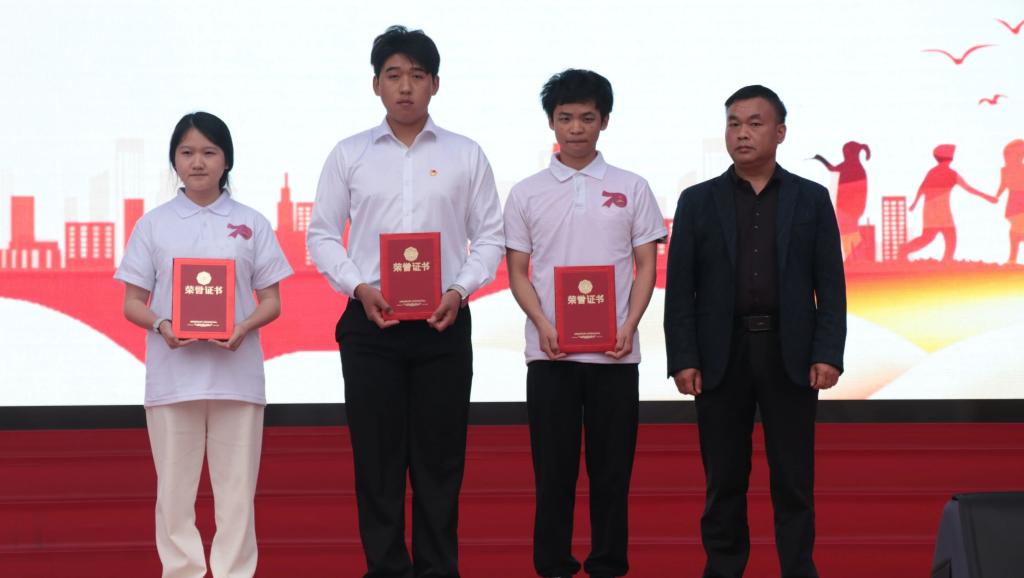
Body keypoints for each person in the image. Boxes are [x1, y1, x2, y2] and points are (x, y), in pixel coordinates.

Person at [306, 25, 504, 578]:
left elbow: (490, 236)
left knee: (440, 462)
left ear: (435, 83)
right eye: (393, 75)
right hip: (371, 325)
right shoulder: (349, 155)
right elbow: (322, 235)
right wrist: (358, 286)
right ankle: (386, 569)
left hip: (444, 324)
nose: (406, 87)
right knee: (378, 461)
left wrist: (459, 290)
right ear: (376, 84)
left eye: (417, 75)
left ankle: (439, 569)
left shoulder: (466, 154)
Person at [663, 85, 847, 578]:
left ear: (780, 132)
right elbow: (680, 289)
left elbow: (831, 285)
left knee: (793, 479)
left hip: (791, 353)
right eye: (734, 124)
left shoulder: (811, 199)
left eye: (754, 123)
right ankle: (724, 569)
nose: (742, 133)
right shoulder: (698, 201)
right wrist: (684, 358)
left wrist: (828, 352)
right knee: (724, 478)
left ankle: (798, 569)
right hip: (721, 354)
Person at [115, 111, 293, 578]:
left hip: (237, 378)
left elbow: (272, 301)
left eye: (209, 152)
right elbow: (132, 303)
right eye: (187, 152)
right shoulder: (153, 225)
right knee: (174, 495)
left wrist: (244, 326)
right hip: (173, 380)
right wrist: (161, 325)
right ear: (174, 160)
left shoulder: (251, 223)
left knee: (237, 495)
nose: (198, 162)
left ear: (226, 160)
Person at [504, 69, 666, 578]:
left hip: (615, 353)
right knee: (553, 471)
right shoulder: (526, 193)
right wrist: (542, 323)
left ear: (605, 121)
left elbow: (646, 265)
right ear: (551, 122)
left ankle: (608, 563)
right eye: (566, 117)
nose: (576, 128)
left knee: (611, 472)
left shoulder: (632, 187)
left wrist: (630, 324)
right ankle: (552, 564)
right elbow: (517, 270)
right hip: (550, 353)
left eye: (587, 118)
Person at [899, 144, 993, 262]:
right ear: (950, 158)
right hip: (939, 210)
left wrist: (915, 203)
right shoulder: (951, 174)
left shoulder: (934, 172)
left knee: (931, 237)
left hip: (932, 209)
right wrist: (987, 197)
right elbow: (969, 189)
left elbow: (922, 189)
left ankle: (907, 251)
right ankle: (945, 259)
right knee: (948, 236)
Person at [811, 141, 871, 260]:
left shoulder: (851, 167)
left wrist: (820, 158)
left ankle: (856, 256)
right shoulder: (856, 168)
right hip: (848, 208)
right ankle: (853, 256)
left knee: (849, 232)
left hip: (848, 209)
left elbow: (832, 168)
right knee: (848, 232)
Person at [994, 139, 1024, 265]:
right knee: (1015, 228)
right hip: (1013, 200)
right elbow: (1003, 185)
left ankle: (1012, 258)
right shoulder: (1005, 170)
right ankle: (1012, 258)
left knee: (1016, 229)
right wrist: (997, 196)